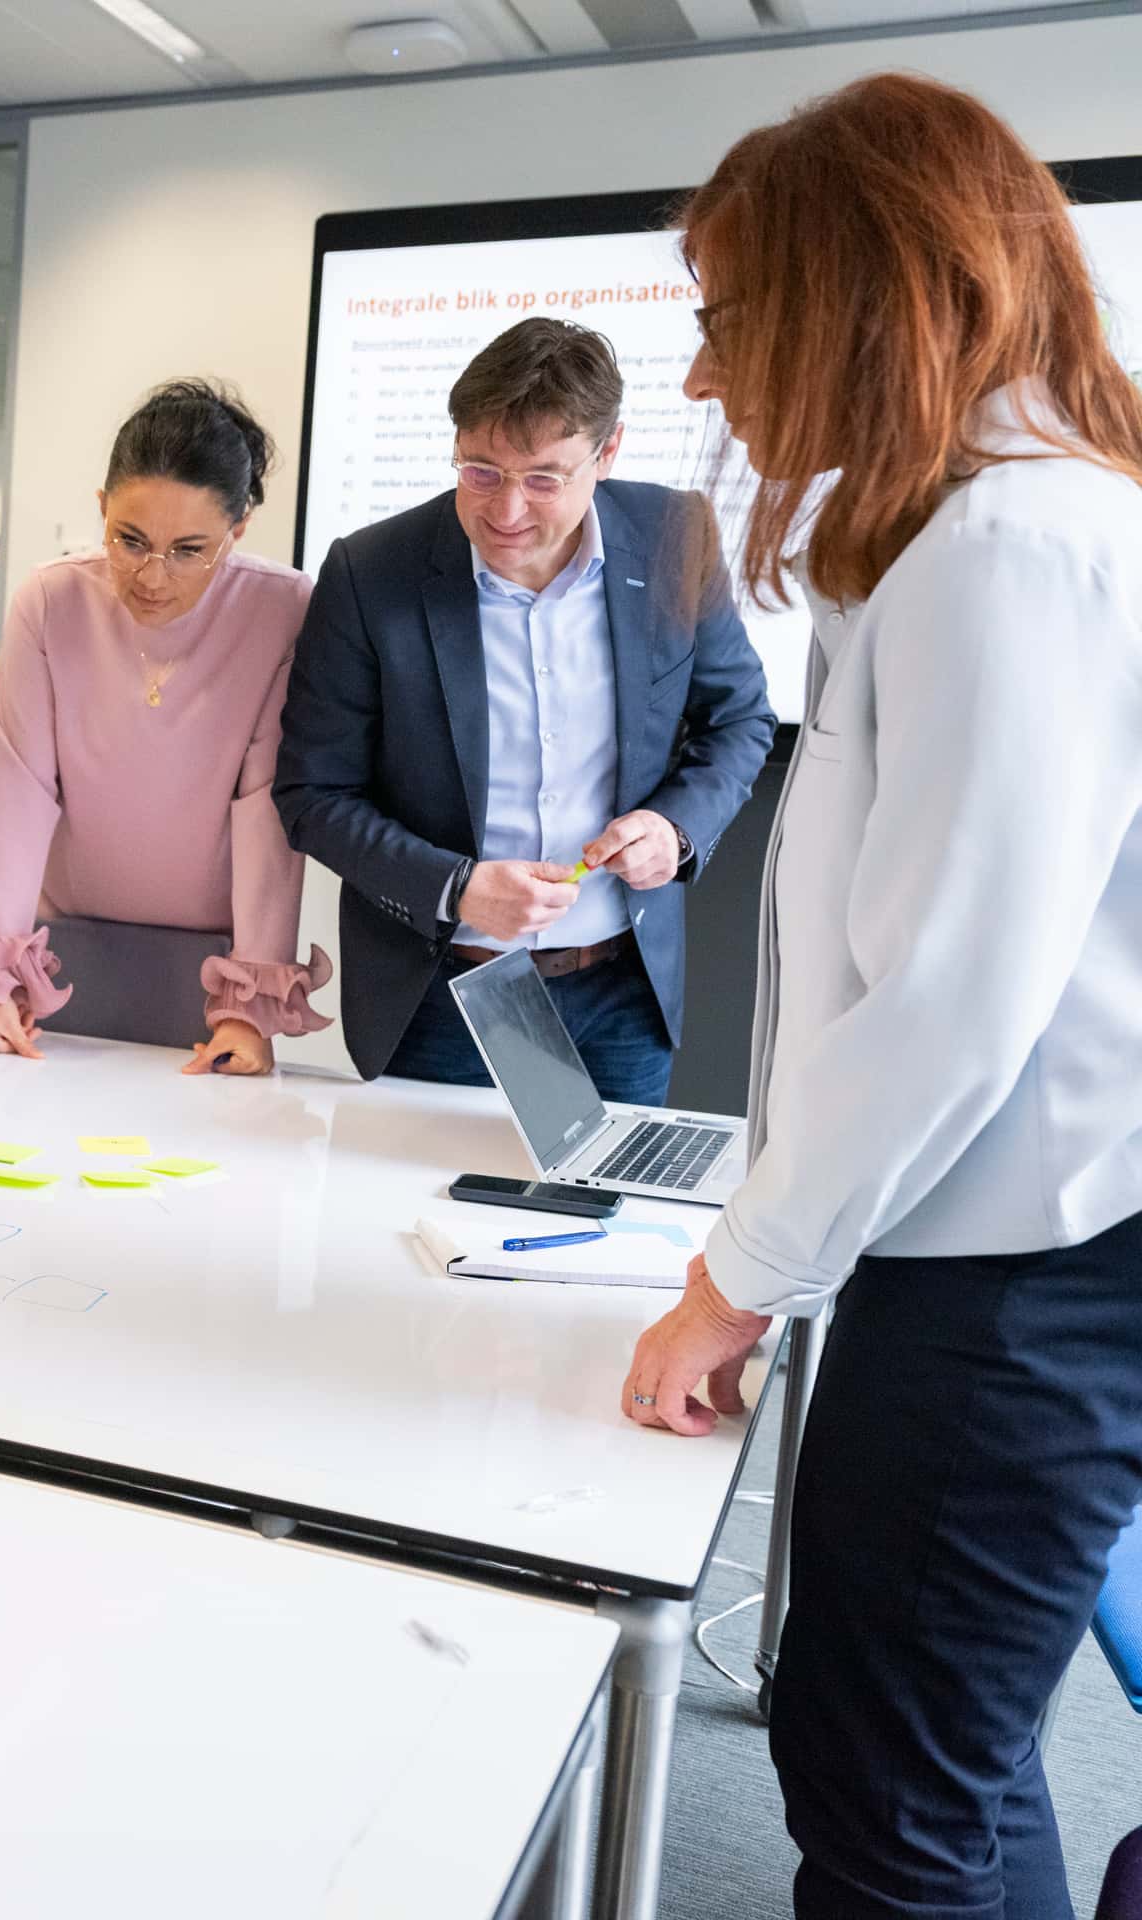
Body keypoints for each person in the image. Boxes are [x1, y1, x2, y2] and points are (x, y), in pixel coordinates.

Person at [616, 74, 1142, 1920]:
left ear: (866, 291)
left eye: (729, 320)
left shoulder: (1013, 548)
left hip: (1025, 1272)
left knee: (891, 1790)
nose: (705, 382)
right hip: (990, 1249)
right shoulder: (968, 534)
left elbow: (942, 1004)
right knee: (919, 1756)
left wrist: (733, 1279)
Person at [275, 319, 774, 1102]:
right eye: (481, 471)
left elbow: (739, 720)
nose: (507, 510)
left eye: (544, 478)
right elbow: (313, 795)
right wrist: (456, 889)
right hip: (447, 996)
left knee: (607, 1224)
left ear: (606, 455)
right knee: (415, 1221)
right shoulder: (372, 573)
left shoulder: (676, 536)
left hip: (620, 992)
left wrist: (674, 829)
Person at [0, 379, 331, 1074]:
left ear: (238, 529)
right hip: (58, 954)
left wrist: (248, 1007)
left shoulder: (283, 609)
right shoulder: (51, 599)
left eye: (190, 549)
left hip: (212, 967)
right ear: (101, 509)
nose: (153, 576)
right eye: (130, 540)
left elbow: (266, 810)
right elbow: (21, 791)